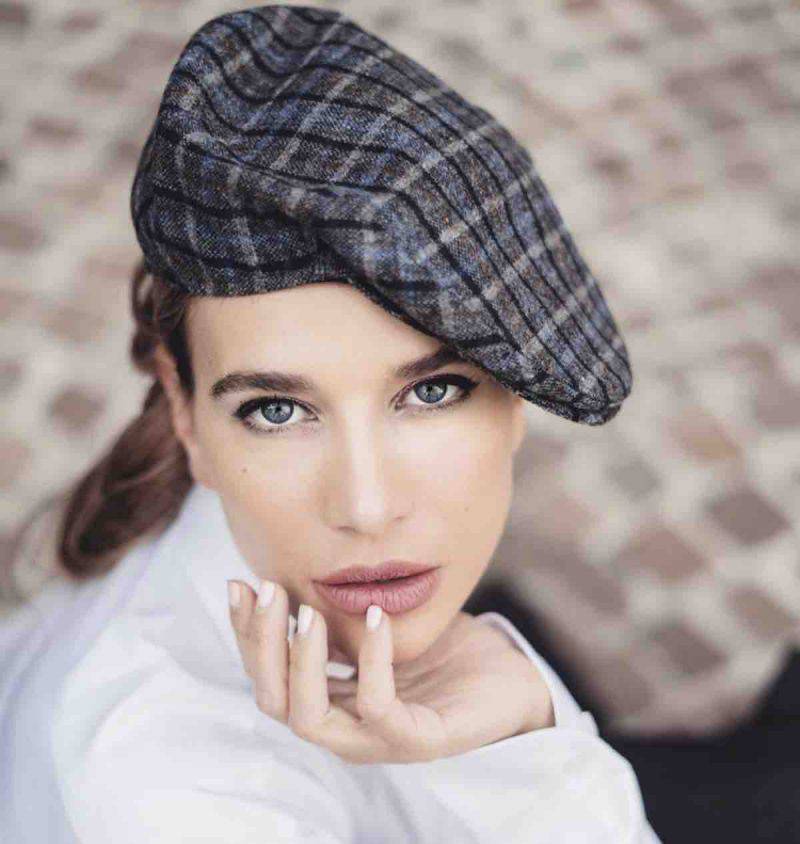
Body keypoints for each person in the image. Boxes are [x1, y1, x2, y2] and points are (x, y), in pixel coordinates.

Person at [0, 5, 661, 842]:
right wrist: (533, 772)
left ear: (516, 396)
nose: (367, 507)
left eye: (432, 392)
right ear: (185, 412)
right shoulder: (177, 799)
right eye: (277, 410)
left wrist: (522, 723)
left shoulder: (205, 542)